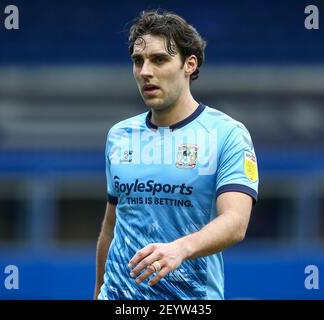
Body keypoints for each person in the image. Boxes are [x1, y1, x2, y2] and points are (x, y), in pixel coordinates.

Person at [94, 9, 259, 300]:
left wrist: (180, 248)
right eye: (138, 61)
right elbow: (110, 227)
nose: (145, 71)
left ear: (189, 64)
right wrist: (98, 293)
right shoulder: (119, 135)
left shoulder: (227, 134)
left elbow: (236, 222)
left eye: (159, 59)